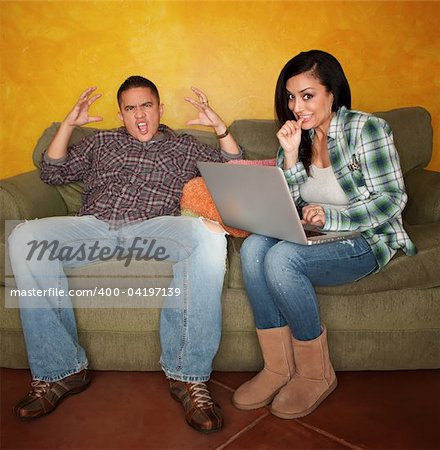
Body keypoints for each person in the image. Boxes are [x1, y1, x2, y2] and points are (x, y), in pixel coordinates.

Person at [8, 76, 243, 433]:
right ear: (121, 115)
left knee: (208, 237)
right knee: (25, 236)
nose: (139, 115)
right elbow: (53, 172)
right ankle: (61, 370)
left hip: (154, 227)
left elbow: (237, 172)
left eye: (146, 105)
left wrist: (221, 128)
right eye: (130, 108)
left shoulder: (184, 146)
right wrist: (69, 125)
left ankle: (188, 376)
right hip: (95, 226)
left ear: (160, 109)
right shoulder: (102, 142)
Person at [232, 50, 417, 419]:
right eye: (290, 97)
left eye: (307, 95)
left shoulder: (367, 129)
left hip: (368, 237)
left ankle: (316, 374)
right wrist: (287, 156)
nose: (296, 106)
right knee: (253, 248)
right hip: (315, 231)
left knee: (282, 259)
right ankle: (278, 369)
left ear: (332, 92)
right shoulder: (296, 137)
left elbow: (392, 200)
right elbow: (291, 202)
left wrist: (332, 218)